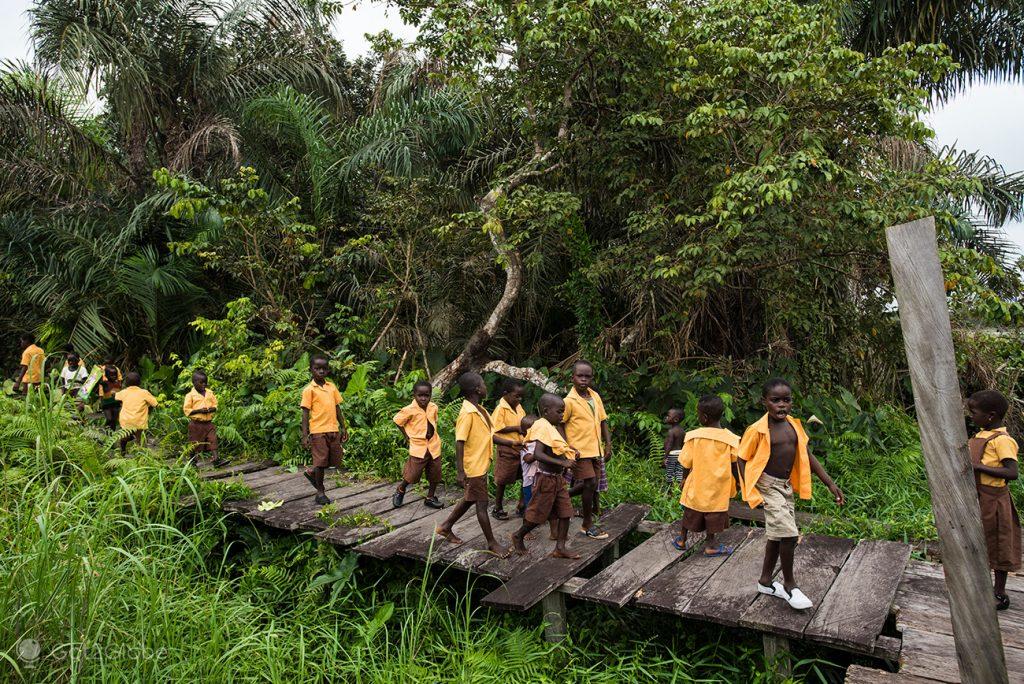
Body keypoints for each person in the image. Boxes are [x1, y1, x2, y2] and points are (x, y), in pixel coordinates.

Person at [738, 378, 843, 611]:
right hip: (766, 485)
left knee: (777, 535)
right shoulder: (757, 430)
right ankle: (789, 585)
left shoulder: (794, 426)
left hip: (785, 486)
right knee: (789, 534)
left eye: (786, 400)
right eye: (776, 401)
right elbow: (741, 459)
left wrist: (830, 483)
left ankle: (766, 581)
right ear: (764, 401)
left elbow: (807, 456)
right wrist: (750, 491)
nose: (782, 405)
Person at [433, 372, 514, 557]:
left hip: (481, 464)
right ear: (477, 389)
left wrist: (512, 443)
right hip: (473, 467)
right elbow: (459, 441)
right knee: (482, 505)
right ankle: (492, 543)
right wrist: (460, 471)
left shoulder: (481, 411)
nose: (486, 387)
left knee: (470, 498)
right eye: (483, 384)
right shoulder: (467, 413)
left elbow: (490, 436)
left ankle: (445, 527)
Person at [966, 389, 1020, 610]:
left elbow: (1012, 472)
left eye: (974, 412)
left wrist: (979, 467)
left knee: (999, 544)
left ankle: (999, 592)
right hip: (977, 498)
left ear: (991, 415)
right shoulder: (979, 436)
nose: (971, 416)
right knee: (978, 541)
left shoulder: (1003, 441)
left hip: (994, 500)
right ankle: (976, 586)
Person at [673, 396, 740, 556]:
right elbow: (734, 464)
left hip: (698, 483)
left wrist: (683, 478)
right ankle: (710, 545)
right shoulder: (730, 439)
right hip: (719, 486)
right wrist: (737, 481)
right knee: (714, 514)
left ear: (704, 417)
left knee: (690, 510)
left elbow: (686, 462)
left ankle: (682, 539)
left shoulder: (693, 436)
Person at [563, 360, 612, 539]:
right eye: (580, 376)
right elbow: (560, 424)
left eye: (587, 376)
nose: (583, 380)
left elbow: (603, 421)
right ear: (573, 378)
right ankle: (587, 524)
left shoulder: (594, 396)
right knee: (590, 483)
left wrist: (608, 444)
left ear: (591, 378)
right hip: (579, 450)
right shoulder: (568, 401)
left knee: (591, 484)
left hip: (596, 449)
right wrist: (566, 446)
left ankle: (561, 496)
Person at [300, 354, 348, 506]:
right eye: (317, 368)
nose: (321, 371)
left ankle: (313, 472)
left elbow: (337, 407)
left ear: (328, 370)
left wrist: (343, 426)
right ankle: (320, 492)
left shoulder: (331, 387)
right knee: (320, 462)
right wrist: (305, 435)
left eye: (324, 369)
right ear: (311, 370)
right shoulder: (309, 390)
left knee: (334, 460)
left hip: (333, 429)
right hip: (318, 431)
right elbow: (305, 413)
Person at [392, 380, 444, 510]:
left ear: (430, 395)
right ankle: (401, 489)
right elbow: (397, 421)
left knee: (435, 473)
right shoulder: (409, 410)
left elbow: (434, 422)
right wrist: (406, 436)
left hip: (433, 445)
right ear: (414, 395)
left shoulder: (433, 407)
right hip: (418, 446)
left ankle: (430, 497)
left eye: (426, 395)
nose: (423, 398)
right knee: (413, 474)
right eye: (420, 395)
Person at [491, 379, 527, 519]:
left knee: (525, 476)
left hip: (520, 449)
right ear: (506, 394)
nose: (519, 399)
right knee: (503, 479)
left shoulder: (519, 407)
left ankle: (522, 505)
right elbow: (497, 428)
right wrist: (517, 428)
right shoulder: (501, 409)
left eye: (520, 397)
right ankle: (498, 507)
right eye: (516, 396)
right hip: (506, 448)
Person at [183, 369, 227, 468]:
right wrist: (199, 411)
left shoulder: (209, 393)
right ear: (194, 383)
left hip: (208, 423)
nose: (204, 384)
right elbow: (187, 410)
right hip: (196, 424)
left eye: (205, 382)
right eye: (201, 382)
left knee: (213, 439)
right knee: (195, 443)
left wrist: (211, 409)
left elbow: (215, 405)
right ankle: (192, 461)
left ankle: (216, 460)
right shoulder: (190, 395)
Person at [114, 371, 158, 455]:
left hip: (126, 420)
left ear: (126, 383)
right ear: (140, 382)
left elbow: (116, 397)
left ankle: (122, 451)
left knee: (124, 436)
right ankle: (139, 455)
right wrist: (148, 407)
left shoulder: (124, 392)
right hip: (139, 420)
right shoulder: (144, 392)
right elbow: (155, 404)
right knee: (139, 438)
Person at [519, 415, 539, 510]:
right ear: (524, 433)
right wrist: (538, 454)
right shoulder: (525, 446)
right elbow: (527, 459)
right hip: (529, 483)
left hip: (539, 481)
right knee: (530, 505)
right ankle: (528, 520)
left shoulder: (538, 443)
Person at [663, 407, 686, 487]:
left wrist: (665, 457)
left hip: (672, 455)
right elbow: (684, 444)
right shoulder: (682, 431)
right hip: (680, 454)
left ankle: (670, 490)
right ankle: (679, 489)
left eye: (668, 416)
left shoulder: (671, 431)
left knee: (670, 473)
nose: (666, 417)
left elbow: (669, 445)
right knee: (679, 472)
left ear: (675, 419)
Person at [99, 365, 122, 430]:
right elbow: (100, 381)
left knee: (114, 420)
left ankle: (112, 434)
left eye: (115, 375)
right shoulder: (105, 383)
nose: (114, 376)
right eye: (112, 375)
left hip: (116, 404)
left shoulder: (118, 383)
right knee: (109, 419)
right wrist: (100, 371)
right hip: (106, 405)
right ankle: (104, 430)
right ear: (106, 375)